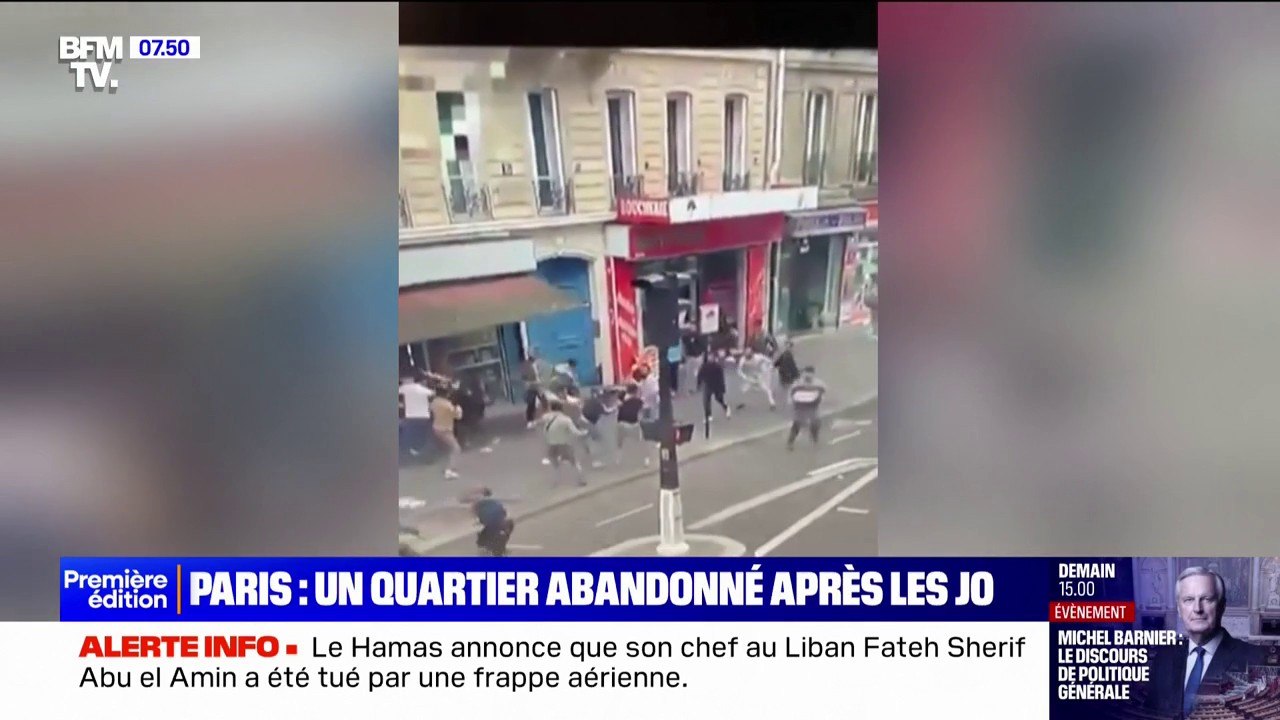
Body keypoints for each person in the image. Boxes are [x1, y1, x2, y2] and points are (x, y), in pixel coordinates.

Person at [1144, 567, 1267, 717]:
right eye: (1188, 600)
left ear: (1222, 606)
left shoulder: (1256, 657)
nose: (1197, 608)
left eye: (1207, 599)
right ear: (1179, 608)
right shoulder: (1163, 658)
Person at [541, 399, 588, 486]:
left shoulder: (546, 417)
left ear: (551, 408)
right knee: (574, 462)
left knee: (554, 462)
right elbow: (575, 432)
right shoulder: (566, 420)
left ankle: (556, 480)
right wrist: (584, 433)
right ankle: (581, 479)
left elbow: (542, 424)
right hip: (564, 444)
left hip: (551, 444)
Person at [462, 486, 514, 556]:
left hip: (490, 525)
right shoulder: (496, 501)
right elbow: (504, 512)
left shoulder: (478, 502)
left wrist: (477, 519)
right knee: (503, 530)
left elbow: (473, 511)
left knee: (483, 541)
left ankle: (491, 548)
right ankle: (497, 548)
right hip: (498, 524)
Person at [786, 366, 827, 450]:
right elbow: (791, 393)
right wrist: (790, 401)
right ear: (803, 374)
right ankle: (790, 442)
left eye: (810, 373)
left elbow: (823, 393)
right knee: (797, 424)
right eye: (806, 373)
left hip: (813, 406)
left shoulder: (819, 384)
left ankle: (814, 437)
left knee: (816, 422)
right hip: (800, 407)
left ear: (813, 374)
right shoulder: (798, 383)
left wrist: (821, 399)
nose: (808, 375)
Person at [429, 387, 462, 479]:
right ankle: (449, 470)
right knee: (456, 448)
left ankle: (448, 466)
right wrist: (458, 408)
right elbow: (458, 416)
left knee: (447, 449)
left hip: (436, 427)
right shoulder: (448, 405)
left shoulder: (434, 402)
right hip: (445, 429)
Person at [398, 374, 434, 457]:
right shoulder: (421, 388)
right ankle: (421, 451)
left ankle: (412, 450)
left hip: (411, 416)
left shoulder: (404, 388)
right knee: (422, 434)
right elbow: (432, 393)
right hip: (424, 416)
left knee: (410, 434)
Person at [615, 384, 648, 466]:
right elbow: (643, 411)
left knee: (620, 442)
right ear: (636, 392)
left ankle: (618, 459)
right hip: (633, 425)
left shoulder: (623, 400)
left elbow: (618, 408)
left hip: (621, 423)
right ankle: (645, 460)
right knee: (641, 441)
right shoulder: (639, 401)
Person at [697, 348, 731, 421]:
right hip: (707, 385)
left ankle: (726, 407)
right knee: (706, 401)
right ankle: (708, 415)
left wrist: (722, 388)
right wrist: (699, 385)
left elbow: (721, 378)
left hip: (716, 385)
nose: (710, 358)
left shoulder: (717, 367)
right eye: (709, 356)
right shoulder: (704, 366)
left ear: (714, 358)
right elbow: (700, 375)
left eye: (711, 357)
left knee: (719, 399)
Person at [521, 350, 551, 428]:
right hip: (532, 387)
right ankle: (530, 420)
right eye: (535, 355)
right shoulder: (526, 364)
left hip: (540, 386)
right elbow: (524, 376)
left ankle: (547, 417)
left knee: (545, 401)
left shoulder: (540, 363)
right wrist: (528, 382)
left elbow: (545, 372)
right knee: (531, 404)